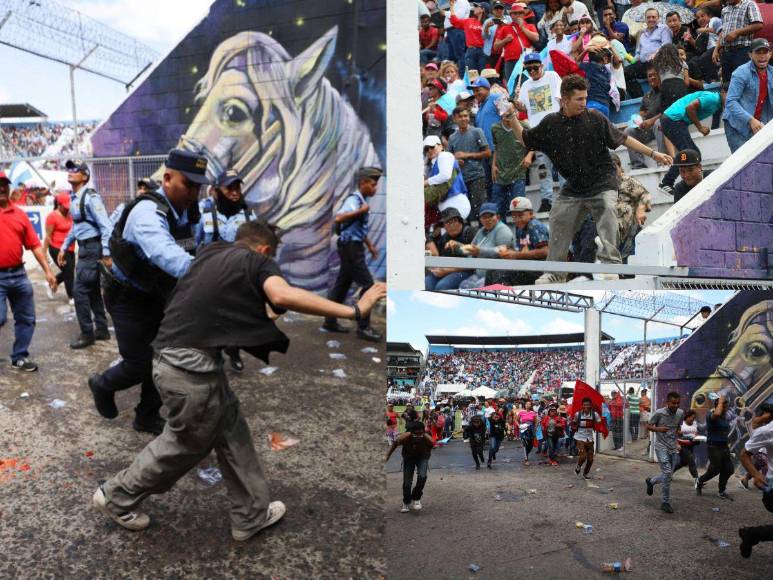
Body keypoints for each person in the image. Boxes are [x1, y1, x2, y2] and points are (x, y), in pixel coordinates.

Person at [93, 221, 386, 537]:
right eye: (270, 257)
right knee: (186, 443)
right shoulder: (257, 261)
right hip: (189, 370)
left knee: (232, 430)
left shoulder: (211, 253)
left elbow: (236, 302)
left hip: (178, 360)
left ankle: (250, 515)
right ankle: (116, 496)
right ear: (264, 250)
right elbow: (281, 294)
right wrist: (356, 310)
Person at [88, 149, 208, 436]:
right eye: (188, 184)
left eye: (198, 186)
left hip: (160, 295)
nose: (194, 192)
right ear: (167, 178)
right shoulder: (147, 212)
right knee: (139, 363)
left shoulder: (190, 211)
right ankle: (103, 384)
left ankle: (146, 415)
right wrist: (212, 277)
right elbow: (167, 254)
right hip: (128, 297)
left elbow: (197, 248)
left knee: (163, 360)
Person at [508, 74, 672, 284]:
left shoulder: (594, 117)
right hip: (574, 186)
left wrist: (653, 153)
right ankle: (555, 273)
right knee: (558, 219)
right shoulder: (551, 123)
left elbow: (624, 139)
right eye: (579, 99)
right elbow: (525, 139)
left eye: (585, 98)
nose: (584, 103)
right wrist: (513, 119)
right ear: (564, 100)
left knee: (607, 211)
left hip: (602, 180)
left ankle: (611, 265)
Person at [195, 169, 253, 371]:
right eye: (230, 188)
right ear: (216, 190)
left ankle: (234, 349)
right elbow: (195, 242)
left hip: (238, 272)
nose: (235, 192)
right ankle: (215, 351)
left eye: (237, 188)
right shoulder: (204, 213)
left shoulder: (248, 214)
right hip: (211, 272)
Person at [0, 172, 58, 372]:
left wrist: (48, 271)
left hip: (19, 275)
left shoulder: (20, 215)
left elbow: (34, 244)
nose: (1, 188)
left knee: (27, 319)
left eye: (4, 184)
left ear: (9, 188)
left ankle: (19, 357)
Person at [322, 166, 383, 342]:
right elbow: (339, 218)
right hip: (350, 249)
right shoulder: (354, 201)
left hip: (352, 246)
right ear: (363, 183)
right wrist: (360, 211)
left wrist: (370, 246)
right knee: (369, 286)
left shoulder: (360, 200)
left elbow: (358, 229)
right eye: (372, 184)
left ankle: (329, 321)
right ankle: (364, 328)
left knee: (342, 285)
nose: (375, 188)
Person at [59, 160, 112, 350]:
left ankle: (87, 333)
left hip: (91, 249)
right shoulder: (75, 197)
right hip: (85, 248)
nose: (71, 172)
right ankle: (102, 329)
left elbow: (106, 226)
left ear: (85, 176)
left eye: (76, 170)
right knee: (92, 291)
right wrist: (65, 247)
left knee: (79, 291)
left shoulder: (90, 197)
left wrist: (106, 252)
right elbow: (76, 227)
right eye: (70, 170)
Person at [515, 52, 563, 212]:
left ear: (541, 65)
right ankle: (546, 200)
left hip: (556, 128)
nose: (533, 72)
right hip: (538, 132)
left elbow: (559, 99)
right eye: (529, 69)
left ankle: (567, 195)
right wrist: (515, 103)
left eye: (535, 68)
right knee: (543, 169)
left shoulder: (552, 76)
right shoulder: (526, 85)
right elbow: (523, 108)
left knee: (563, 164)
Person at [658, 90, 722, 194]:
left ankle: (694, 181)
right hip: (673, 120)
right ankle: (666, 182)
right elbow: (690, 108)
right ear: (723, 92)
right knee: (688, 154)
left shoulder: (717, 104)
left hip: (673, 120)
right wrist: (700, 127)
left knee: (694, 154)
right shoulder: (713, 98)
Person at [722, 38, 772, 153]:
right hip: (736, 126)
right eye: (758, 53)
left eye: (765, 52)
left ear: (770, 54)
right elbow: (730, 102)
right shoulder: (741, 72)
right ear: (750, 55)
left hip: (759, 124)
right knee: (742, 163)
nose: (762, 56)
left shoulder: (772, 73)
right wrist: (750, 120)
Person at [738, 403, 773, 559]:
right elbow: (744, 454)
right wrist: (755, 474)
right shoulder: (767, 431)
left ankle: (751, 534)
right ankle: (751, 534)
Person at [452, 202, 514, 289]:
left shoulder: (503, 230)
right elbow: (471, 249)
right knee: (463, 286)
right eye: (484, 217)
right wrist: (456, 246)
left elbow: (503, 252)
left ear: (498, 217)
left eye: (490, 216)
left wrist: (479, 251)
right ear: (480, 219)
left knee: (478, 289)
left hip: (495, 276)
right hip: (478, 274)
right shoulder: (482, 231)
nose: (487, 219)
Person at [492, 196, 549, 285]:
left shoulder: (534, 225)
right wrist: (510, 253)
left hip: (543, 269)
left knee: (503, 274)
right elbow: (523, 252)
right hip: (528, 267)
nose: (517, 219)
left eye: (520, 215)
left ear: (531, 214)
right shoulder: (520, 229)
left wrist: (516, 255)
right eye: (514, 216)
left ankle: (503, 298)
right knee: (493, 272)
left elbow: (546, 251)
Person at [491, 101, 533, 219]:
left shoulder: (524, 126)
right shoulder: (495, 128)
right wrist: (493, 166)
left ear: (515, 112)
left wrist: (529, 156)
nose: (507, 115)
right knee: (498, 211)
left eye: (510, 112)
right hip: (500, 173)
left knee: (519, 208)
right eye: (504, 113)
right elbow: (496, 147)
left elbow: (534, 144)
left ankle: (522, 236)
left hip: (518, 172)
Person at [447, 108, 491, 220]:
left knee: (480, 209)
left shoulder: (477, 132)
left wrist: (467, 155)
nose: (464, 119)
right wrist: (456, 162)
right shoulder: (452, 138)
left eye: (466, 116)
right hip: (461, 180)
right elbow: (449, 159)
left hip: (477, 176)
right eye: (460, 116)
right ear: (454, 119)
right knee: (463, 212)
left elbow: (487, 153)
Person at [645, 391, 685, 514]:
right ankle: (665, 502)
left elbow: (678, 427)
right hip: (661, 447)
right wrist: (659, 429)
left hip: (672, 447)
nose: (676, 405)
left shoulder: (680, 413)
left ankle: (651, 481)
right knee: (667, 473)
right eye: (673, 403)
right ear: (667, 402)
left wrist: (678, 437)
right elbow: (648, 426)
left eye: (678, 403)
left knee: (669, 475)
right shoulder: (659, 413)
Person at [713, 0, 764, 95]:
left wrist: (737, 32)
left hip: (742, 51)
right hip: (726, 52)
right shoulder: (725, 9)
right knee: (727, 86)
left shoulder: (749, 4)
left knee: (745, 84)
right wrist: (716, 49)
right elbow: (723, 31)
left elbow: (758, 24)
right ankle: (730, 109)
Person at [424, 134, 471, 229]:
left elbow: (445, 176)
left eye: (432, 147)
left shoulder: (444, 155)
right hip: (448, 204)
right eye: (426, 149)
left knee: (454, 232)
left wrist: (426, 182)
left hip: (455, 201)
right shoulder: (434, 163)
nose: (429, 150)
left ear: (441, 146)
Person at [386, 421, 434, 513]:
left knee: (422, 476)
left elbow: (431, 444)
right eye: (416, 433)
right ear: (411, 432)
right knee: (407, 482)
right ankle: (406, 502)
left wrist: (424, 437)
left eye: (420, 432)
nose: (418, 435)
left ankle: (416, 498)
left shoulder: (426, 437)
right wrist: (387, 455)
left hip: (422, 457)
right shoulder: (405, 437)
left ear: (423, 431)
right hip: (409, 458)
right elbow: (395, 444)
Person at [625, 8, 673, 99]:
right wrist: (631, 60)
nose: (651, 19)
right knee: (626, 72)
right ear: (645, 19)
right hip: (644, 64)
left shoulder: (663, 29)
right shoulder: (643, 34)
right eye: (648, 17)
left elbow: (667, 46)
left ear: (658, 18)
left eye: (653, 17)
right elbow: (638, 53)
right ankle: (640, 98)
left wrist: (656, 54)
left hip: (659, 61)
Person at [425, 207, 478, 290]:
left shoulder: (471, 233)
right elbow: (440, 257)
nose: (452, 225)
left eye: (454, 221)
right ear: (444, 226)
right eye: (448, 223)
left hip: (467, 270)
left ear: (460, 221)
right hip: (447, 270)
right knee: (426, 283)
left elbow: (474, 263)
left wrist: (448, 270)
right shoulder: (444, 238)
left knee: (442, 286)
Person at [696, 394, 736, 500]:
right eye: (723, 406)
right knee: (714, 470)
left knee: (728, 469)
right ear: (718, 405)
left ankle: (721, 491)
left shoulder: (724, 416)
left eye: (726, 406)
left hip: (723, 446)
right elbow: (717, 413)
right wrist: (721, 401)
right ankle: (699, 481)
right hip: (714, 447)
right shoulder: (712, 414)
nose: (725, 408)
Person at [493, 3, 539, 83]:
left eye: (520, 13)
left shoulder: (530, 26)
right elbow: (495, 47)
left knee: (529, 83)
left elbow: (536, 38)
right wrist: (505, 40)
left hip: (527, 60)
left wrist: (522, 27)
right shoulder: (505, 28)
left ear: (524, 14)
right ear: (511, 15)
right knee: (512, 85)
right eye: (515, 13)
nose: (518, 15)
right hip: (511, 60)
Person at [43, 192, 75, 302]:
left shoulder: (71, 215)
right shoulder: (52, 216)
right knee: (68, 271)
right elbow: (48, 236)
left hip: (70, 248)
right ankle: (71, 296)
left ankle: (52, 282)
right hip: (56, 248)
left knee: (69, 271)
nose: (67, 209)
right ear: (59, 204)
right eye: (65, 206)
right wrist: (44, 253)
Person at [449, 0, 488, 74]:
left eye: (477, 6)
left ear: (483, 10)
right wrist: (452, 6)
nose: (474, 8)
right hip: (471, 51)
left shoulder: (488, 22)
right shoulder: (469, 21)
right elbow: (455, 21)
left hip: (483, 51)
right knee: (472, 77)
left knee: (483, 76)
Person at [572, 397, 602, 478]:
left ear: (591, 405)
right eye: (585, 404)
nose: (586, 406)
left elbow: (600, 423)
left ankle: (585, 473)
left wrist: (601, 428)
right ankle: (578, 466)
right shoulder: (578, 414)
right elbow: (574, 423)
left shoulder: (594, 414)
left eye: (588, 405)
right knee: (583, 456)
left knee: (590, 459)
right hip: (579, 438)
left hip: (590, 439)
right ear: (582, 405)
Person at [674, 409, 700, 485]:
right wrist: (676, 444)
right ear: (687, 417)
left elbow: (696, 433)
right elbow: (674, 434)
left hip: (691, 445)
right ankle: (697, 481)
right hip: (682, 446)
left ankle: (669, 473)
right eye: (692, 417)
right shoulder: (681, 424)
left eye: (694, 417)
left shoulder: (694, 423)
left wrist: (697, 437)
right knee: (691, 460)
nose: (693, 419)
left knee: (683, 462)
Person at [516, 399, 538, 465]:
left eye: (529, 404)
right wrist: (519, 425)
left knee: (531, 445)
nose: (528, 405)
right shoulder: (521, 412)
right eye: (527, 404)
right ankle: (526, 459)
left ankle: (526, 454)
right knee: (525, 444)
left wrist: (535, 428)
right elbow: (516, 420)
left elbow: (536, 421)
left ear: (531, 405)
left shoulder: (533, 413)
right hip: (523, 429)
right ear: (525, 405)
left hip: (531, 429)